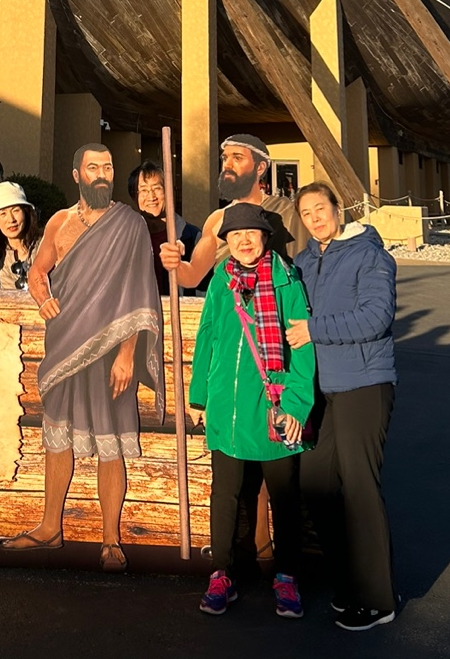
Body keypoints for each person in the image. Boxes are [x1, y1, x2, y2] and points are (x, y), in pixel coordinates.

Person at [0, 144, 164, 572]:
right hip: (65, 344)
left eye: (108, 166)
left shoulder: (130, 224)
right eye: (93, 167)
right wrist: (41, 297)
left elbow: (138, 290)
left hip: (111, 350)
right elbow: (38, 271)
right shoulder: (60, 221)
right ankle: (49, 527)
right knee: (57, 438)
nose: (102, 173)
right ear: (77, 175)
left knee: (111, 444)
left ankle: (111, 540)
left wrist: (127, 354)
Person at [191, 202, 315, 620]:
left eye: (251, 233)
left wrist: (296, 404)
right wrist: (199, 397)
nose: (244, 241)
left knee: (284, 496)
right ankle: (221, 574)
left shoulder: (286, 281)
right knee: (225, 494)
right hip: (226, 406)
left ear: (265, 238)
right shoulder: (220, 281)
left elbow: (302, 348)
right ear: (227, 242)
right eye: (235, 235)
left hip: (273, 407)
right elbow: (207, 336)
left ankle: (287, 576)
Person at [288, 182, 398, 632]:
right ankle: (350, 583)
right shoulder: (302, 262)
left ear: (338, 209)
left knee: (359, 487)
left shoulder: (370, 256)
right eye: (306, 213)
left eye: (321, 208)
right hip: (321, 390)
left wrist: (313, 330)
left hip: (363, 384)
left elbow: (376, 317)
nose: (315, 218)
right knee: (316, 484)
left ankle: (377, 598)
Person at [160, 135, 302, 289]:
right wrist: (175, 263)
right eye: (225, 158)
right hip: (230, 302)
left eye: (237, 158)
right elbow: (192, 277)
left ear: (260, 168)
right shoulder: (217, 219)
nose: (227, 165)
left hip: (278, 300)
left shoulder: (286, 210)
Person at [128, 160, 203, 295]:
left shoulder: (191, 237)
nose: (151, 197)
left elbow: (203, 290)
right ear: (134, 197)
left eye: (157, 188)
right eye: (144, 190)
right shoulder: (127, 239)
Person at [0, 181, 43, 289]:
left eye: (16, 211)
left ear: (26, 213)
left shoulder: (44, 246)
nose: (11, 220)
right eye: (3, 214)